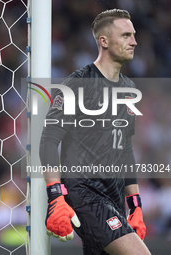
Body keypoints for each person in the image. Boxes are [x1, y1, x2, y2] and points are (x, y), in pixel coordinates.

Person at [39, 9, 151, 255]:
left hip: (114, 199)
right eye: (125, 35)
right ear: (104, 41)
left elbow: (125, 150)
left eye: (133, 35)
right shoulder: (77, 85)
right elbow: (48, 140)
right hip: (84, 194)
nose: (134, 41)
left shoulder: (129, 89)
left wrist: (135, 205)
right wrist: (55, 196)